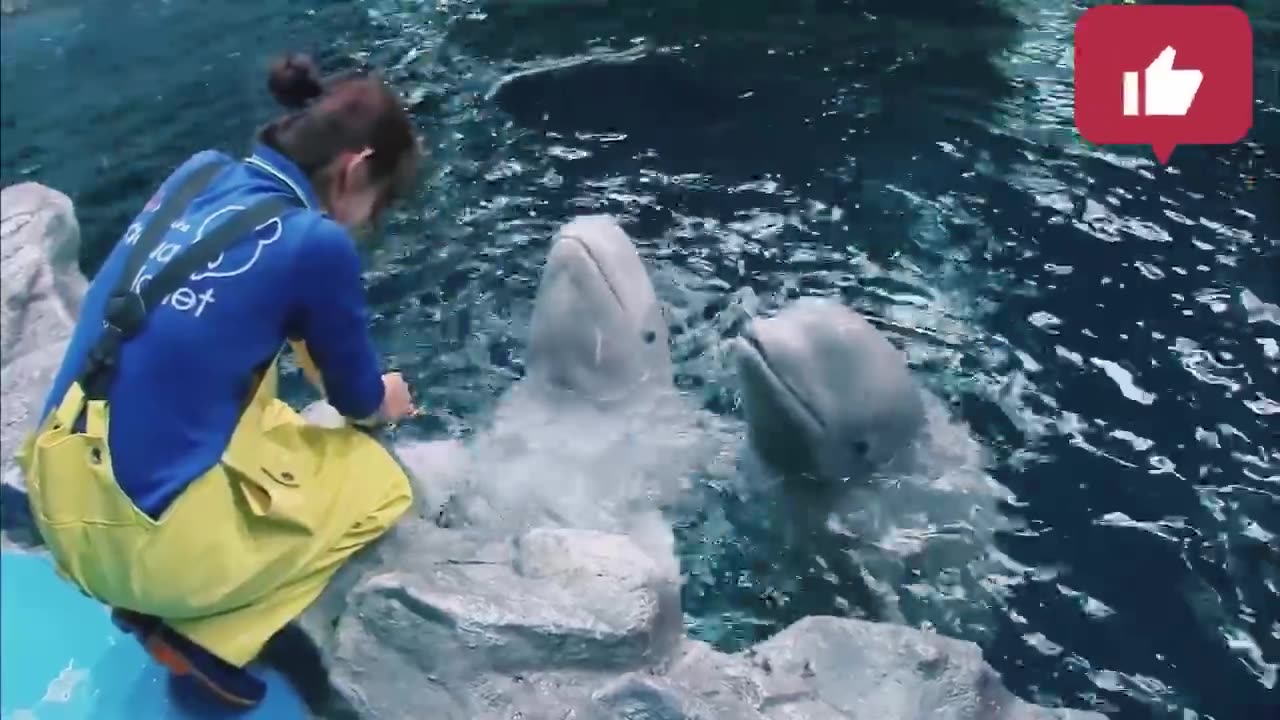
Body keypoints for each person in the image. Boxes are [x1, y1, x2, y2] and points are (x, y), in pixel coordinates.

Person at [15, 53, 421, 708]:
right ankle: (205, 635)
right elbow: (356, 400)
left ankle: (155, 587)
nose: (370, 222)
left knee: (253, 407)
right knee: (379, 485)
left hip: (55, 486)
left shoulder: (199, 172)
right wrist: (387, 400)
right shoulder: (317, 243)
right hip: (137, 551)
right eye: (379, 202)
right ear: (353, 171)